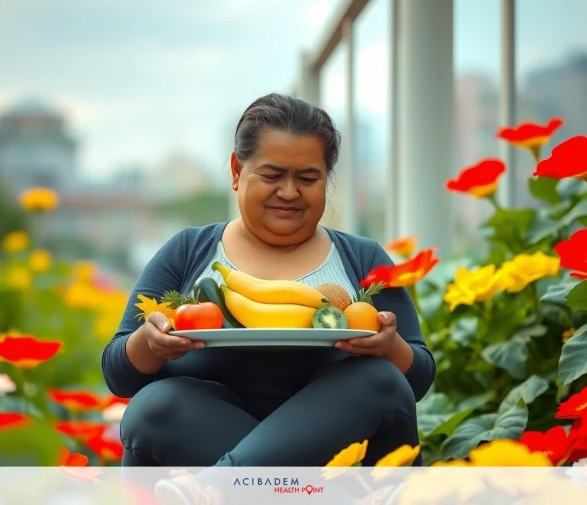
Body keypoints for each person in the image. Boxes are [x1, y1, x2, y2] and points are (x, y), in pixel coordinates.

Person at [101, 93, 435, 504]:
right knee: (155, 406)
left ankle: (218, 487)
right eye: (273, 175)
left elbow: (416, 379)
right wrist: (149, 344)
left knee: (380, 381)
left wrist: (390, 347)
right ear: (237, 171)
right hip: (226, 450)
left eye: (308, 179)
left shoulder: (362, 259)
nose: (290, 192)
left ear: (327, 180)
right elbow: (120, 375)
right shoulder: (189, 253)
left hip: (338, 467)